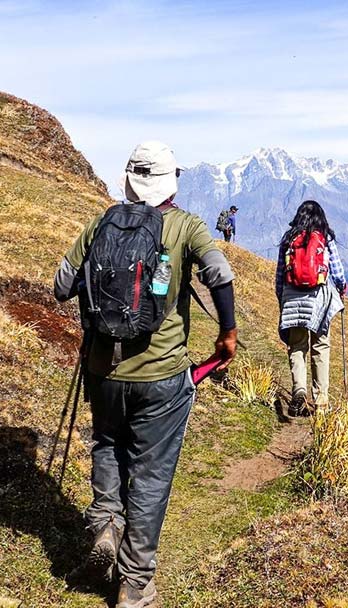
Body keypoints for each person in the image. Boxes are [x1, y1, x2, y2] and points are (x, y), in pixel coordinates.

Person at [54, 141, 238, 608]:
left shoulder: (102, 223)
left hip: (103, 371)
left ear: (131, 180)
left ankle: (105, 524)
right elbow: (219, 272)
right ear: (170, 180)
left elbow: (60, 286)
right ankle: (135, 583)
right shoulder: (185, 226)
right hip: (161, 377)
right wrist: (228, 333)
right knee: (151, 475)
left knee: (107, 446)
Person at [275, 200, 347, 416]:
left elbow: (279, 275)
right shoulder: (324, 238)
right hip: (319, 298)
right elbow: (337, 270)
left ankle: (299, 390)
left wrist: (282, 298)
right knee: (320, 347)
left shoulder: (288, 239)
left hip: (292, 297)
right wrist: (342, 287)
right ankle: (321, 402)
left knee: (297, 346)